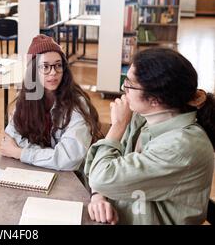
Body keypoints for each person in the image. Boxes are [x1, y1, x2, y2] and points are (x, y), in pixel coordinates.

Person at [85, 48, 215, 225]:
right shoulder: (142, 117)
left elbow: (102, 176)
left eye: (130, 84)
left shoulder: (182, 146)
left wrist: (117, 126)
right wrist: (98, 196)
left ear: (155, 99)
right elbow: (102, 170)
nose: (124, 89)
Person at [1, 35, 102, 171]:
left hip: (71, 179)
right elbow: (10, 139)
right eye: (45, 67)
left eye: (58, 65)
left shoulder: (77, 104)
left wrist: (21, 153)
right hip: (33, 171)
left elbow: (68, 159)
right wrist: (50, 157)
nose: (53, 72)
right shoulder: (25, 99)